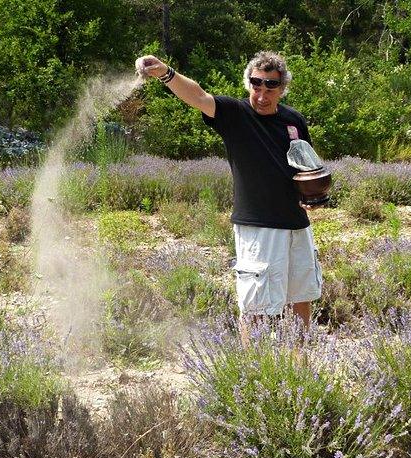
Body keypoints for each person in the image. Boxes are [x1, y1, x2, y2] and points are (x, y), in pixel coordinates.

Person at [135, 51, 322, 331]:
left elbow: (306, 165)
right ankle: (249, 372)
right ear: (249, 83)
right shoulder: (235, 114)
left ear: (282, 88)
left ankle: (299, 367)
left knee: (301, 298)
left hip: (297, 225)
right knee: (256, 308)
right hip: (258, 228)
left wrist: (312, 195)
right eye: (256, 84)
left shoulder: (294, 121)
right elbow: (198, 96)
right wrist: (165, 73)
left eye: (270, 86)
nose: (262, 93)